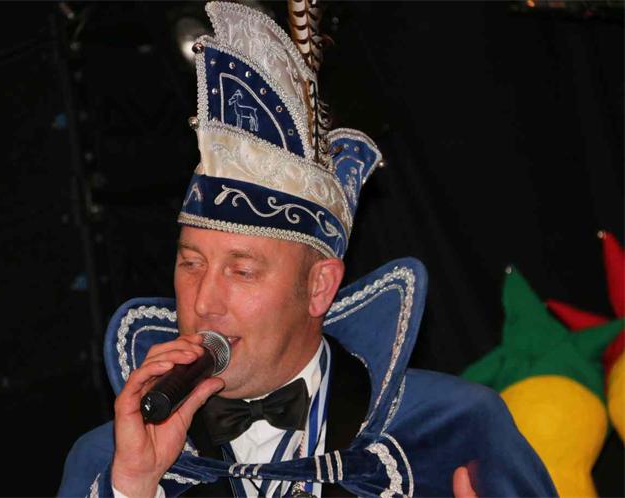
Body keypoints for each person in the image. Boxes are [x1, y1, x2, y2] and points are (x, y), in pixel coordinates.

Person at [58, 2, 557, 497]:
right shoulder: (109, 463)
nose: (204, 301)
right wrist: (134, 486)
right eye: (191, 264)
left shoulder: (455, 428)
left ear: (319, 287)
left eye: (242, 271)